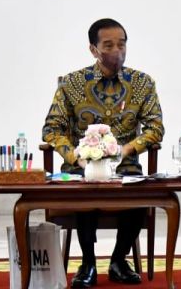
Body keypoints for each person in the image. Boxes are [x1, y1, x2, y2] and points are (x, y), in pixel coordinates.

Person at [42, 18, 164, 288]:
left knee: (140, 188)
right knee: (87, 189)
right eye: (108, 45)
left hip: (125, 168)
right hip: (81, 167)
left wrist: (127, 149)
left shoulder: (143, 83)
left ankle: (119, 260)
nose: (116, 51)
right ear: (93, 49)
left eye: (121, 44)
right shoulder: (72, 83)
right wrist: (75, 155)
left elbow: (156, 128)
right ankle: (88, 263)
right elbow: (51, 129)